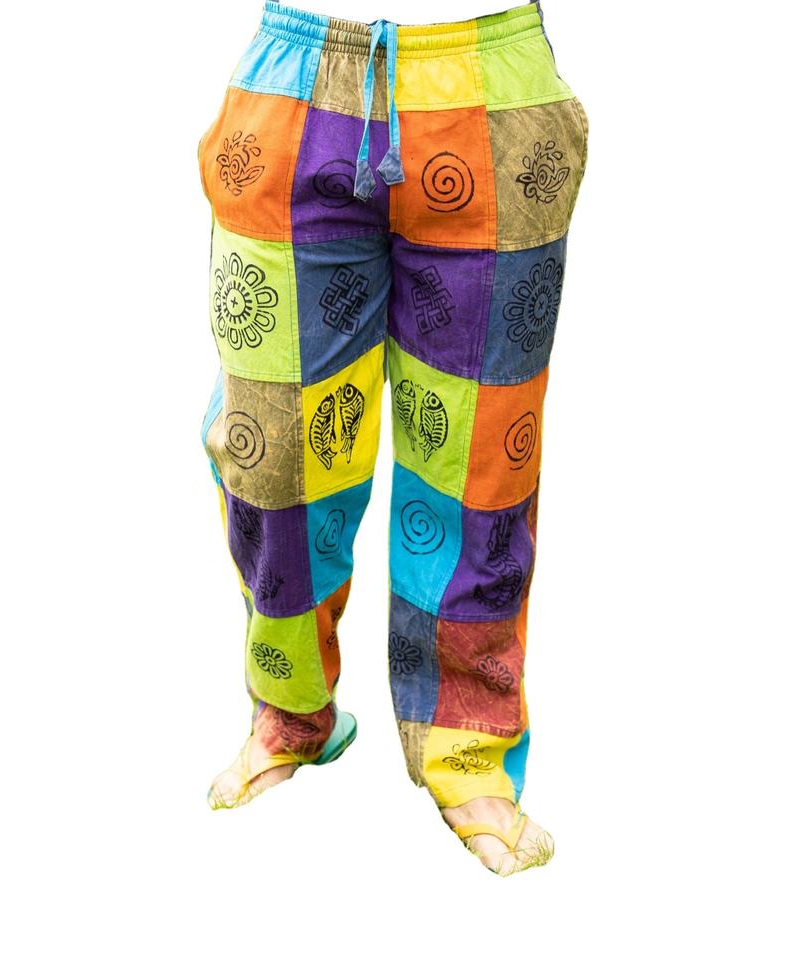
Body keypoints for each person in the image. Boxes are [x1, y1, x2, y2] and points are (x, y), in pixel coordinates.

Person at [197, 0, 588, 876]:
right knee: (270, 452)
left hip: (494, 83)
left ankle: (467, 748)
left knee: (480, 462)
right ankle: (291, 710)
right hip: (296, 82)